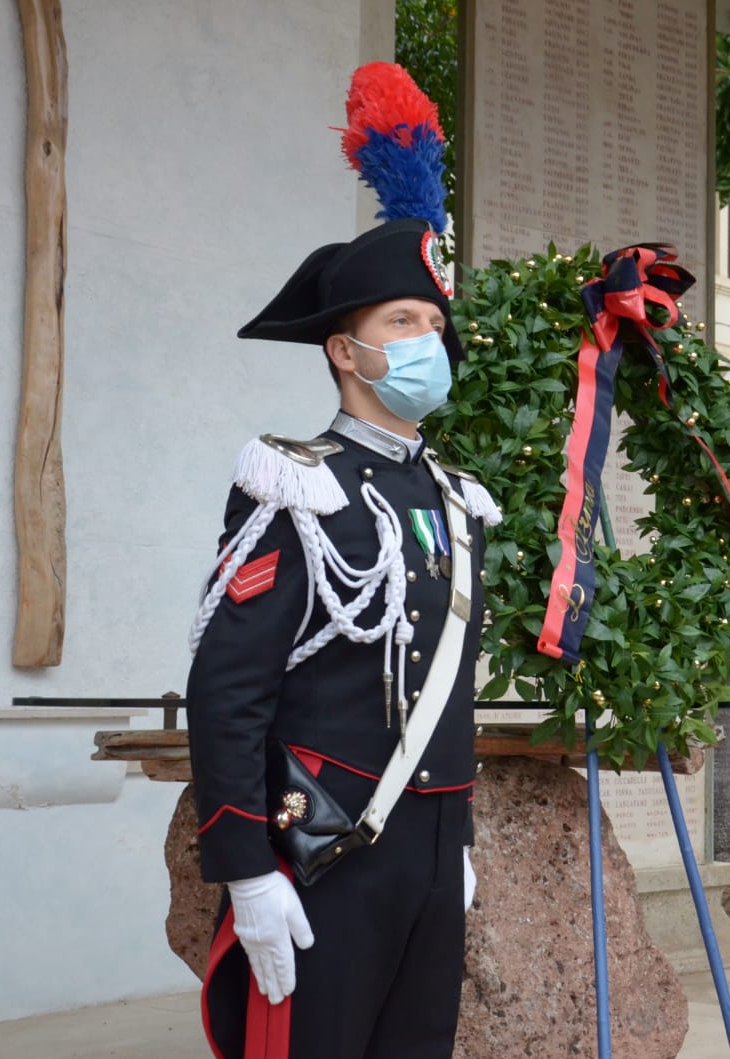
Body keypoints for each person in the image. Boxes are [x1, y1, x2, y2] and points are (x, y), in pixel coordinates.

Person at [186, 63, 500, 1059]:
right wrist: (244, 866)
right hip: (325, 850)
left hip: (431, 843)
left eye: (435, 327)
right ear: (343, 351)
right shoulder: (296, 485)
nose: (426, 346)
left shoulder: (454, 498)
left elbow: (444, 690)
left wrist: (454, 844)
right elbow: (228, 688)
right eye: (401, 325)